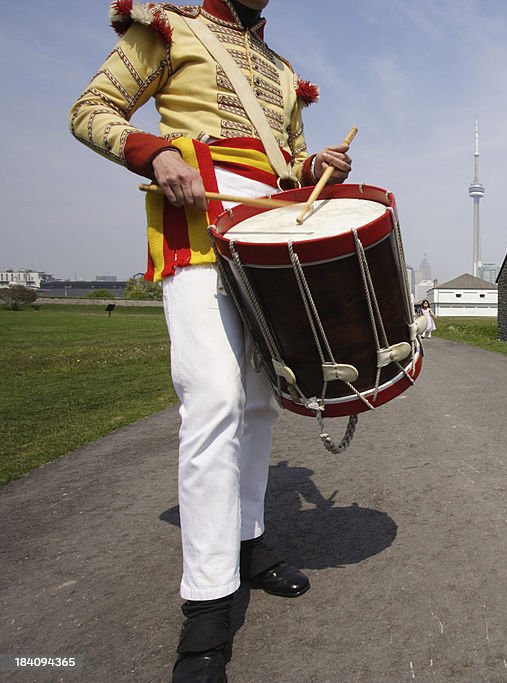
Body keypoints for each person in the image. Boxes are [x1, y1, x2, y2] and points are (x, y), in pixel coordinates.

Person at [70, 2, 352, 680]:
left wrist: (316, 166)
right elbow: (91, 110)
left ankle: (249, 541)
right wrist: (157, 149)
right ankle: (206, 603)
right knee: (215, 400)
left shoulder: (283, 73)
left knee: (259, 404)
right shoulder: (168, 29)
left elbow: (284, 167)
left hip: (266, 248)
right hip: (195, 238)